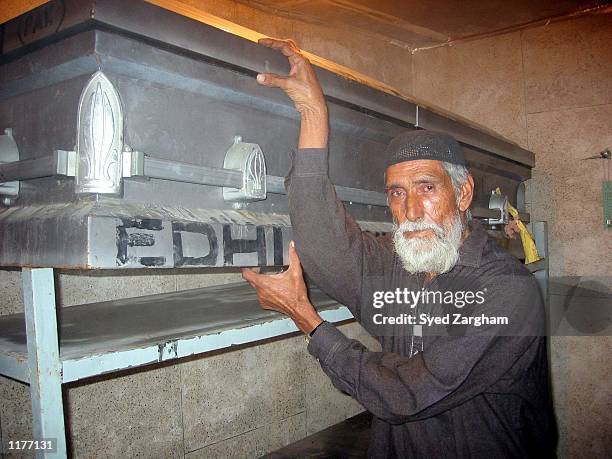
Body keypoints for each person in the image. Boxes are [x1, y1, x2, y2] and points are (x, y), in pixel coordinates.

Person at [242, 38, 556, 458]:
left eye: (426, 187)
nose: (410, 210)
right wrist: (314, 115)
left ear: (463, 193)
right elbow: (324, 245)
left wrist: (306, 318)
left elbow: (407, 393)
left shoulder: (508, 290)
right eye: (396, 193)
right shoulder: (400, 267)